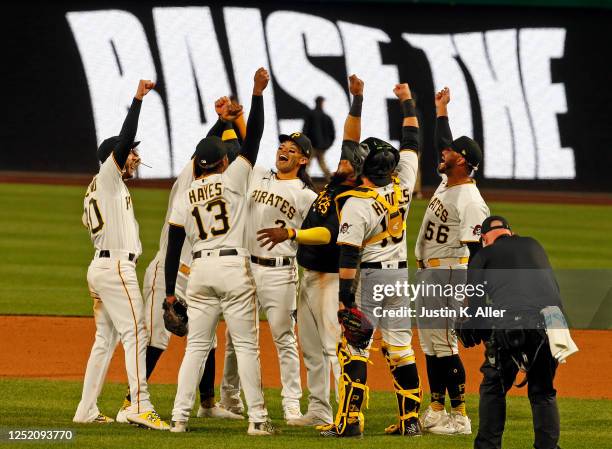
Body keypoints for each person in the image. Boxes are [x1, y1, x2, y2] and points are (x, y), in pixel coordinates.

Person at [114, 98, 247, 423]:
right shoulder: (188, 181)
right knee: (157, 338)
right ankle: (130, 404)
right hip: (167, 274)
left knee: (208, 339)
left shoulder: (217, 185)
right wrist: (222, 123)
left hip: (197, 273)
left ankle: (207, 403)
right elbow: (201, 154)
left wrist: (226, 121)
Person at [164, 68, 276, 435]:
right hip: (232, 267)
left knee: (196, 347)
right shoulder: (234, 178)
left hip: (198, 273)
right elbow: (255, 137)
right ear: (224, 161)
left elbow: (174, 245)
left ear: (199, 162)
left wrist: (169, 294)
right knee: (246, 346)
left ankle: (179, 417)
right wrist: (257, 93)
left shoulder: (187, 192)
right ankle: (258, 420)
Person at [256, 74, 369, 427]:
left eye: (348, 161)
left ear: (357, 170)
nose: (342, 160)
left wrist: (291, 232)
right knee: (311, 349)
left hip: (330, 280)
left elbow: (328, 235)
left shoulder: (352, 198)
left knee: (334, 348)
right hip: (309, 277)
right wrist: (357, 99)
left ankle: (346, 412)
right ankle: (319, 409)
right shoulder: (335, 185)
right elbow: (351, 137)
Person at [319, 81, 422, 438]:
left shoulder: (358, 203)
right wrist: (407, 101)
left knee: (354, 348)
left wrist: (346, 301)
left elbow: (349, 254)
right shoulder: (403, 183)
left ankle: (350, 422)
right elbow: (412, 142)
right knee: (402, 348)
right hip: (399, 279)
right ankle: (411, 421)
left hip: (370, 281)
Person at [74, 79, 169, 430]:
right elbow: (125, 139)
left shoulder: (103, 187)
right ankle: (139, 406)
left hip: (102, 267)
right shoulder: (109, 178)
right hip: (115, 267)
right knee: (136, 335)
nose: (135, 156)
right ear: (113, 158)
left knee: (106, 341)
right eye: (130, 152)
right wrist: (138, 99)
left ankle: (86, 408)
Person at [414, 86, 489, 435]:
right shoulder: (448, 182)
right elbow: (442, 142)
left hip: (450, 275)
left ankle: (460, 418)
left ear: (461, 159)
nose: (441, 152)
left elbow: (477, 256)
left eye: (449, 151)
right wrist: (441, 108)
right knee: (430, 345)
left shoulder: (471, 200)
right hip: (431, 275)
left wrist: (473, 301)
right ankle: (436, 409)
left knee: (444, 344)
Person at [458, 216, 565, 449]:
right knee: (543, 391)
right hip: (551, 324)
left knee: (494, 387)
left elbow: (475, 307)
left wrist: (473, 329)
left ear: (484, 239)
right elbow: (552, 290)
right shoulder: (534, 244)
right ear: (510, 232)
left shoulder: (482, 255)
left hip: (511, 323)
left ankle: (488, 446)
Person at [246, 126, 317, 423]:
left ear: (302, 160)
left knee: (284, 338)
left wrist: (292, 233)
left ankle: (290, 402)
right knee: (239, 337)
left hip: (280, 272)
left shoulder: (306, 195)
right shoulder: (258, 174)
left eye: (292, 148)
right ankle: (231, 398)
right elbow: (247, 142)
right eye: (282, 145)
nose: (284, 150)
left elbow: (318, 232)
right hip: (245, 268)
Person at [303, 95, 335, 180]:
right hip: (319, 147)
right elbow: (332, 134)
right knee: (322, 165)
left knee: (307, 165)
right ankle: (331, 182)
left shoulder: (311, 114)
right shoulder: (326, 117)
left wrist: (305, 143)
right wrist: (327, 144)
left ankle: (304, 182)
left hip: (313, 146)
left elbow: (305, 130)